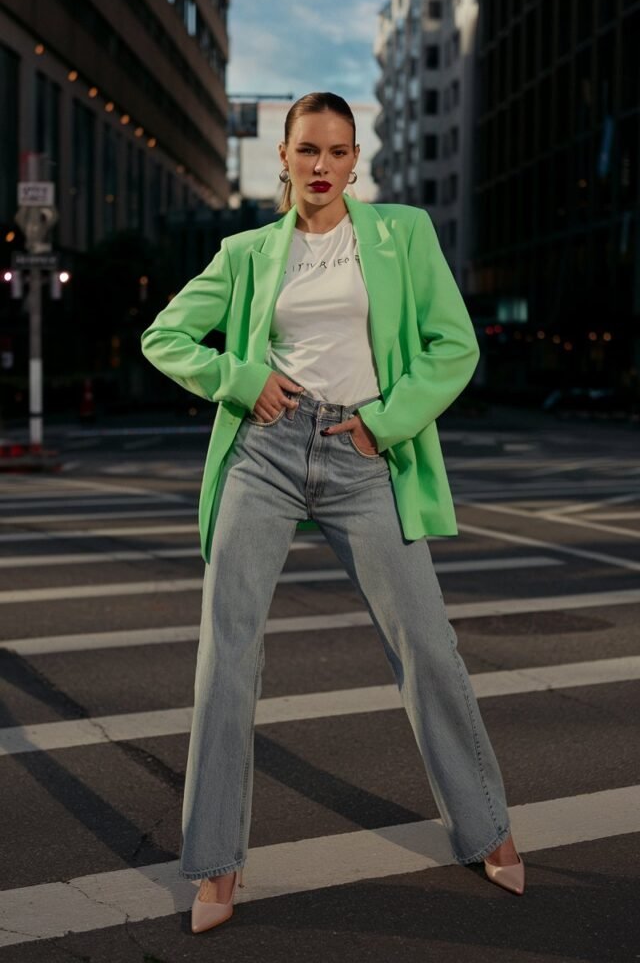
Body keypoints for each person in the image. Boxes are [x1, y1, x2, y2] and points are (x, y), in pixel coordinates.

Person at [141, 92, 525, 935]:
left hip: (363, 451)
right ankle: (216, 865)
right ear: (283, 155)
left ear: (358, 161)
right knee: (226, 655)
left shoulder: (402, 234)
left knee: (426, 643)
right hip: (266, 452)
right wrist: (241, 380)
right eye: (309, 150)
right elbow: (164, 335)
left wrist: (385, 424)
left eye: (340, 152)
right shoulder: (246, 252)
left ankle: (486, 825)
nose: (323, 166)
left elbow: (453, 345)